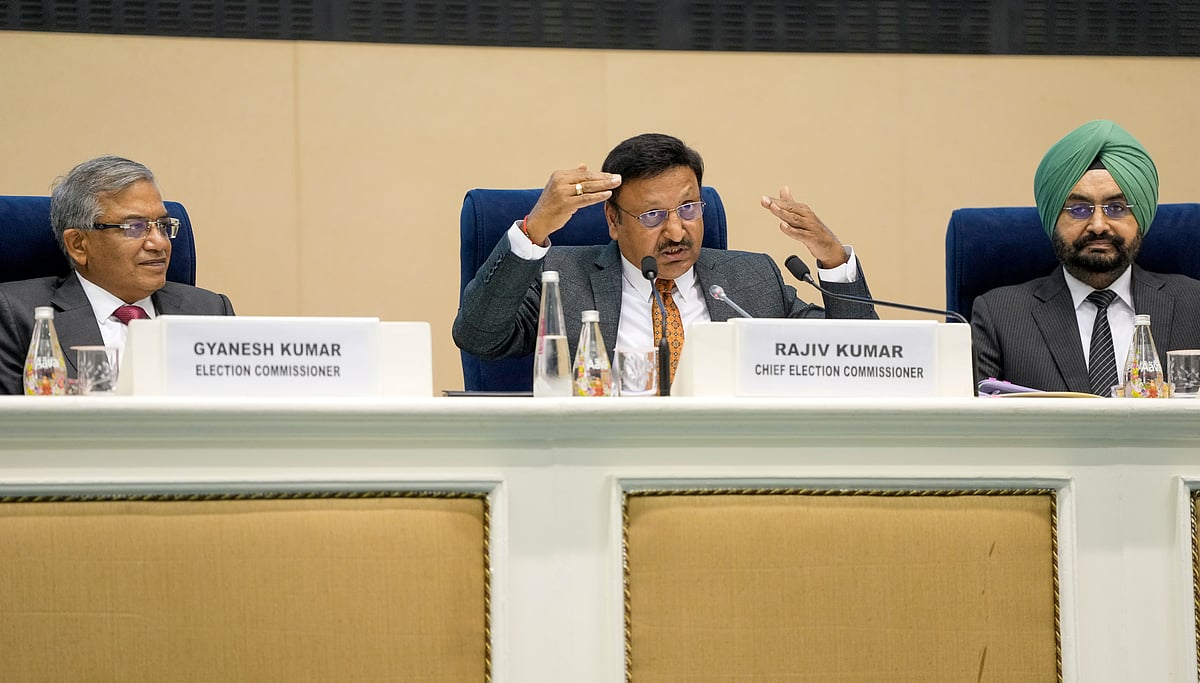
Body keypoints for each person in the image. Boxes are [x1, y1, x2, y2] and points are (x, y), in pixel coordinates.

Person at [453, 132, 877, 385]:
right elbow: (478, 337)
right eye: (653, 216)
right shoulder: (563, 278)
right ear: (613, 220)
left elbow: (856, 358)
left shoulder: (751, 279)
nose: (676, 232)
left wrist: (831, 258)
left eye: (689, 208)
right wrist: (534, 230)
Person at [971, 120, 1200, 394]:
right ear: (1053, 219)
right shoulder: (999, 316)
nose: (1099, 225)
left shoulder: (1194, 305)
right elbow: (972, 419)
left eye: (1117, 207)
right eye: (1079, 209)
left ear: (1140, 218)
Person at [0, 155, 235, 394]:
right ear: (78, 245)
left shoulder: (211, 311)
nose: (159, 243)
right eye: (135, 227)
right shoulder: (16, 315)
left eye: (163, 226)